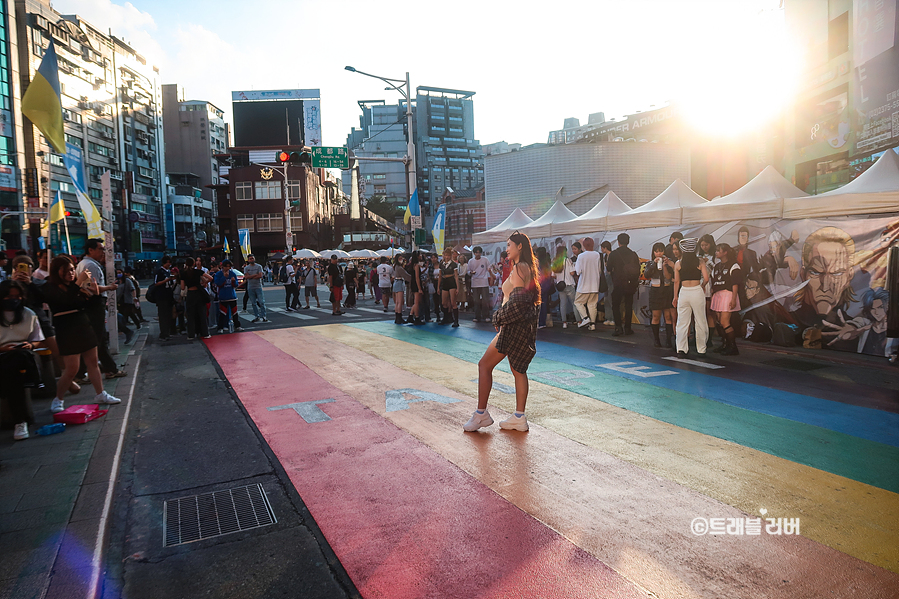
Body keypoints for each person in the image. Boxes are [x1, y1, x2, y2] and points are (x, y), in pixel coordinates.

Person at [463, 231, 540, 433]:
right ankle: (518, 416)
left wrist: (499, 317)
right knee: (518, 370)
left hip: (512, 327)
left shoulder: (521, 267)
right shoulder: (524, 267)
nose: (506, 249)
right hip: (516, 325)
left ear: (519, 247)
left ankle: (481, 414)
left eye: (509, 245)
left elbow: (519, 302)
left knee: (484, 365)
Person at [42, 255, 121, 414]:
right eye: (67, 270)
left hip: (83, 324)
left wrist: (94, 292)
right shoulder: (50, 287)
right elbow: (65, 301)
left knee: (92, 361)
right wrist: (79, 284)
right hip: (66, 327)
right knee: (72, 368)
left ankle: (100, 393)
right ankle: (58, 398)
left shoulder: (76, 286)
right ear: (58, 271)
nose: (71, 273)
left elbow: (84, 302)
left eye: (72, 269)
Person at [0, 280, 46, 440]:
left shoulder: (28, 314)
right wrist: (4, 348)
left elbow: (38, 339)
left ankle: (20, 421)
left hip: (23, 355)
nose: (13, 299)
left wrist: (30, 345)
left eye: (17, 296)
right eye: (9, 296)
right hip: (3, 354)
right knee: (14, 368)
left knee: (19, 360)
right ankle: (21, 419)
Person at [76, 239, 125, 378]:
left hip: (93, 304)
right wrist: (110, 287)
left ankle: (108, 368)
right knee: (97, 339)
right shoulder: (90, 265)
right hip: (93, 304)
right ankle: (83, 372)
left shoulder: (87, 264)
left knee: (99, 338)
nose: (103, 252)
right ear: (90, 250)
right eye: (100, 249)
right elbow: (92, 289)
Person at [672, 238, 710, 358]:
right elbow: (706, 278)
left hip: (684, 292)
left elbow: (676, 281)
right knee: (700, 320)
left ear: (682, 250)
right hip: (696, 291)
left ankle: (681, 349)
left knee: (682, 322)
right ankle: (701, 349)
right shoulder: (700, 262)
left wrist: (675, 296)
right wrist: (702, 286)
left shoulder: (678, 264)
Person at [710, 243, 742, 355]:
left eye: (719, 250)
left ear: (725, 252)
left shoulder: (734, 265)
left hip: (727, 294)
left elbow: (735, 284)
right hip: (718, 295)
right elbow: (713, 282)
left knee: (725, 322)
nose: (716, 252)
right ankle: (724, 344)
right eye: (716, 250)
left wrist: (733, 299)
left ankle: (733, 347)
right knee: (718, 322)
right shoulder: (717, 266)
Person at [607, 233, 641, 336]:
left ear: (618, 242)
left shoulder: (614, 254)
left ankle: (618, 328)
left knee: (616, 305)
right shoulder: (633, 254)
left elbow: (608, 268)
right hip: (630, 283)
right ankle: (628, 328)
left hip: (618, 283)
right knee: (628, 306)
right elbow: (638, 268)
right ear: (628, 241)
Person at [644, 243, 676, 348]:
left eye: (661, 251)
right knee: (656, 316)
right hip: (655, 290)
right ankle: (656, 340)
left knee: (668, 316)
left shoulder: (669, 261)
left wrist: (665, 265)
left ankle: (668, 340)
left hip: (667, 289)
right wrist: (654, 264)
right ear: (653, 252)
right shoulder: (649, 263)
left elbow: (669, 276)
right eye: (657, 251)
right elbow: (646, 275)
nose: (659, 253)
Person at [572, 238, 601, 330]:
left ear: (584, 245)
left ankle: (585, 318)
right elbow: (599, 270)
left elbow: (578, 271)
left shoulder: (581, 256)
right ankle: (592, 324)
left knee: (578, 302)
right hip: (595, 284)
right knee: (592, 304)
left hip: (583, 285)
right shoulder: (597, 255)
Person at [180, 257, 213, 340]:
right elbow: (210, 278)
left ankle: (191, 334)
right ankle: (205, 333)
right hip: (199, 293)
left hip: (190, 294)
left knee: (190, 315)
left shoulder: (183, 273)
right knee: (202, 314)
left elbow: (183, 287)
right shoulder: (198, 272)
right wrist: (203, 283)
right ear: (194, 264)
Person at [214, 260, 242, 333]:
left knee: (235, 312)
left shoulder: (232, 273)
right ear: (222, 266)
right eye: (226, 266)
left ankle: (237, 326)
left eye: (229, 266)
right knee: (223, 313)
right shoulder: (218, 274)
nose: (228, 268)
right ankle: (220, 327)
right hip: (223, 297)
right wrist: (224, 277)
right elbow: (218, 283)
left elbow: (236, 285)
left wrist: (233, 281)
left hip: (232, 296)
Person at [552, 244, 576, 328]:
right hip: (568, 284)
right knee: (575, 303)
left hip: (560, 285)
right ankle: (579, 321)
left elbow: (553, 275)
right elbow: (572, 272)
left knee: (563, 304)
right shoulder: (568, 260)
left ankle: (564, 322)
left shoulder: (555, 261)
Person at [154, 256, 178, 341]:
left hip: (169, 296)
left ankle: (168, 332)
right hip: (161, 296)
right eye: (168, 262)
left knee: (169, 315)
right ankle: (163, 333)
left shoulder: (168, 272)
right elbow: (156, 283)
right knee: (163, 316)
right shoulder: (159, 272)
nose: (169, 264)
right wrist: (167, 280)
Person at [468, 246, 492, 322]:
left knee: (485, 300)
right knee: (476, 301)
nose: (478, 254)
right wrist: (471, 273)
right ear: (474, 253)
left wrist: (490, 270)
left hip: (484, 282)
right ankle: (477, 316)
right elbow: (468, 271)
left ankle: (486, 316)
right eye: (476, 252)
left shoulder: (485, 259)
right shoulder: (471, 261)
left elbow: (489, 268)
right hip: (475, 282)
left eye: (479, 252)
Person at [242, 254, 267, 323]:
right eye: (250, 259)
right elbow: (246, 277)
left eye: (252, 258)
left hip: (258, 286)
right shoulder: (246, 268)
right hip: (250, 287)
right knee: (253, 303)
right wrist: (255, 275)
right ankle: (257, 316)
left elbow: (260, 275)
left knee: (261, 302)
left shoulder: (259, 266)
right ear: (248, 260)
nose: (251, 260)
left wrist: (251, 276)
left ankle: (264, 316)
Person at [439, 248, 460, 327]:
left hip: (451, 282)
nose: (447, 257)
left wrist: (458, 288)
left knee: (453, 302)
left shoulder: (454, 264)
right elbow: (440, 276)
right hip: (444, 282)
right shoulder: (441, 264)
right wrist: (438, 287)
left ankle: (456, 321)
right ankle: (446, 318)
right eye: (445, 255)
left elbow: (456, 276)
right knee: (444, 302)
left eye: (448, 255)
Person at [391, 254, 410, 324]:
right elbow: (406, 275)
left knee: (397, 302)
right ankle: (399, 316)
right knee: (400, 301)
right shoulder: (399, 268)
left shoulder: (395, 266)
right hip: (399, 282)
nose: (401, 260)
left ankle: (397, 317)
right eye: (400, 258)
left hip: (396, 282)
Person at [407, 251, 425, 325]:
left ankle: (411, 315)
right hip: (416, 283)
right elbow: (417, 277)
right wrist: (420, 288)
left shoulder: (412, 265)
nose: (421, 256)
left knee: (416, 301)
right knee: (417, 302)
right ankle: (416, 317)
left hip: (413, 283)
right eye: (420, 255)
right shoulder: (416, 265)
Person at [599, 241, 614, 325]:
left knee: (611, 298)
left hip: (612, 278)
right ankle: (608, 317)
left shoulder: (612, 256)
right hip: (606, 278)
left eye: (602, 248)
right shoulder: (604, 257)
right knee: (606, 299)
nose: (601, 249)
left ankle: (613, 318)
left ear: (605, 248)